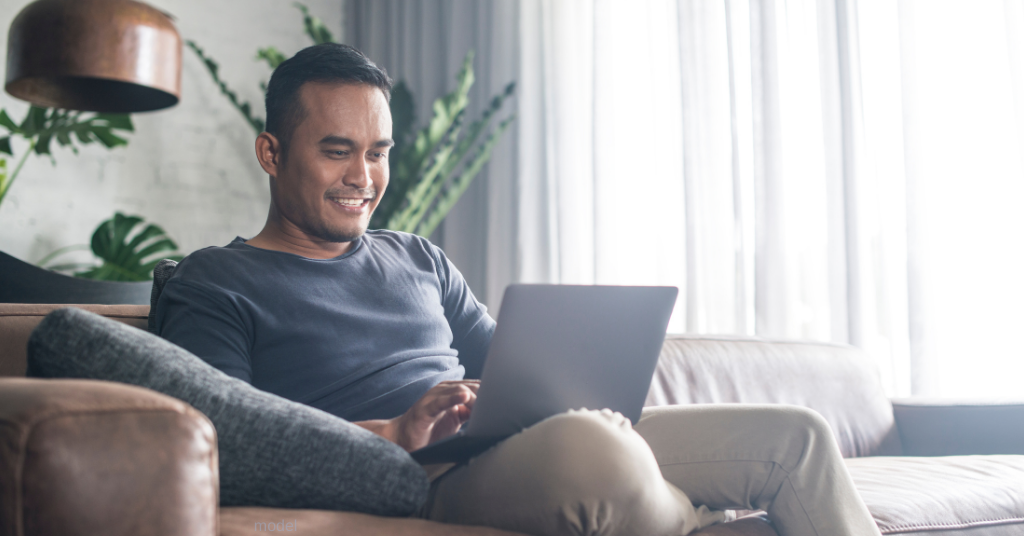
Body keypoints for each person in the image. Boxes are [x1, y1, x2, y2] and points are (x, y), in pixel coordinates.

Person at [155, 43, 881, 536]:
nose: (363, 177)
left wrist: (578, 390)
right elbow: (223, 443)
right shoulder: (217, 281)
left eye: (378, 153)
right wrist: (394, 433)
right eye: (337, 150)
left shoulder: (418, 259)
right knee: (597, 453)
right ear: (271, 153)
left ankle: (659, 496)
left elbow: (519, 375)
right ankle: (690, 511)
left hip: (523, 444)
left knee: (797, 436)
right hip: (422, 476)